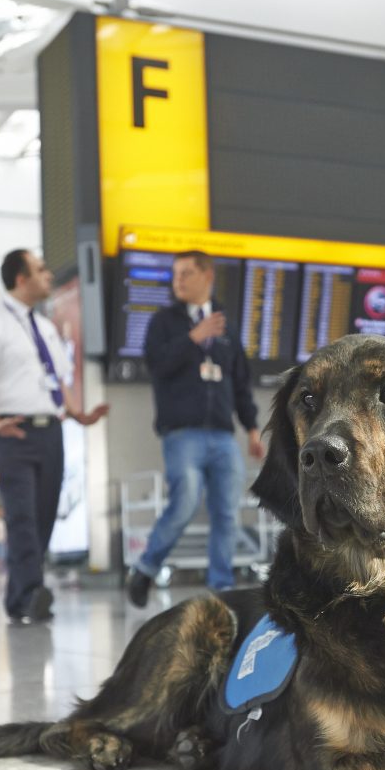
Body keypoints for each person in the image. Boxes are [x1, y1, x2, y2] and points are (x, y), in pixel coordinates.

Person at [0, 249, 108, 624]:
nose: (49, 276)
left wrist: (80, 414)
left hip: (51, 431)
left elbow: (60, 382)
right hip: (14, 432)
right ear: (21, 279)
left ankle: (20, 599)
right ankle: (31, 594)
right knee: (23, 517)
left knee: (43, 518)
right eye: (41, 270)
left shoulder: (45, 328)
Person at [125, 250, 264, 607]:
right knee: (184, 502)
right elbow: (156, 365)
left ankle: (222, 589)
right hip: (181, 434)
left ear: (207, 276)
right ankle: (145, 568)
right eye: (176, 274)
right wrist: (192, 339)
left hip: (222, 435)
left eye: (186, 273)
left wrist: (250, 428)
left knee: (226, 512)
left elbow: (239, 383)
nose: (179, 280)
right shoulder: (164, 323)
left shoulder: (226, 327)